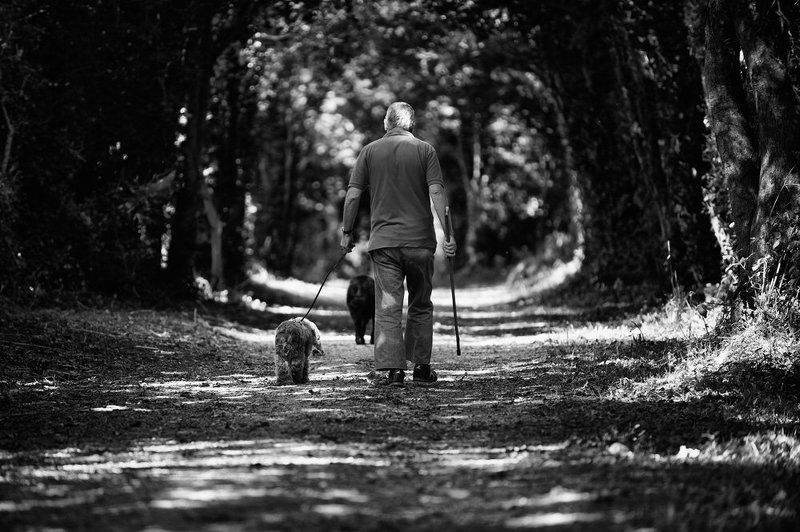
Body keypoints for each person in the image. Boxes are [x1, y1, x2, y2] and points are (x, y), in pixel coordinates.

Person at [340, 101, 457, 386]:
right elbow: (437, 193)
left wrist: (347, 232)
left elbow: (353, 196)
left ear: (386, 123)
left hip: (384, 244)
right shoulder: (425, 150)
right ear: (411, 124)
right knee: (420, 302)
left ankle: (393, 371)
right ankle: (420, 368)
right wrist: (449, 236)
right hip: (419, 242)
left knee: (388, 306)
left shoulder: (369, 151)